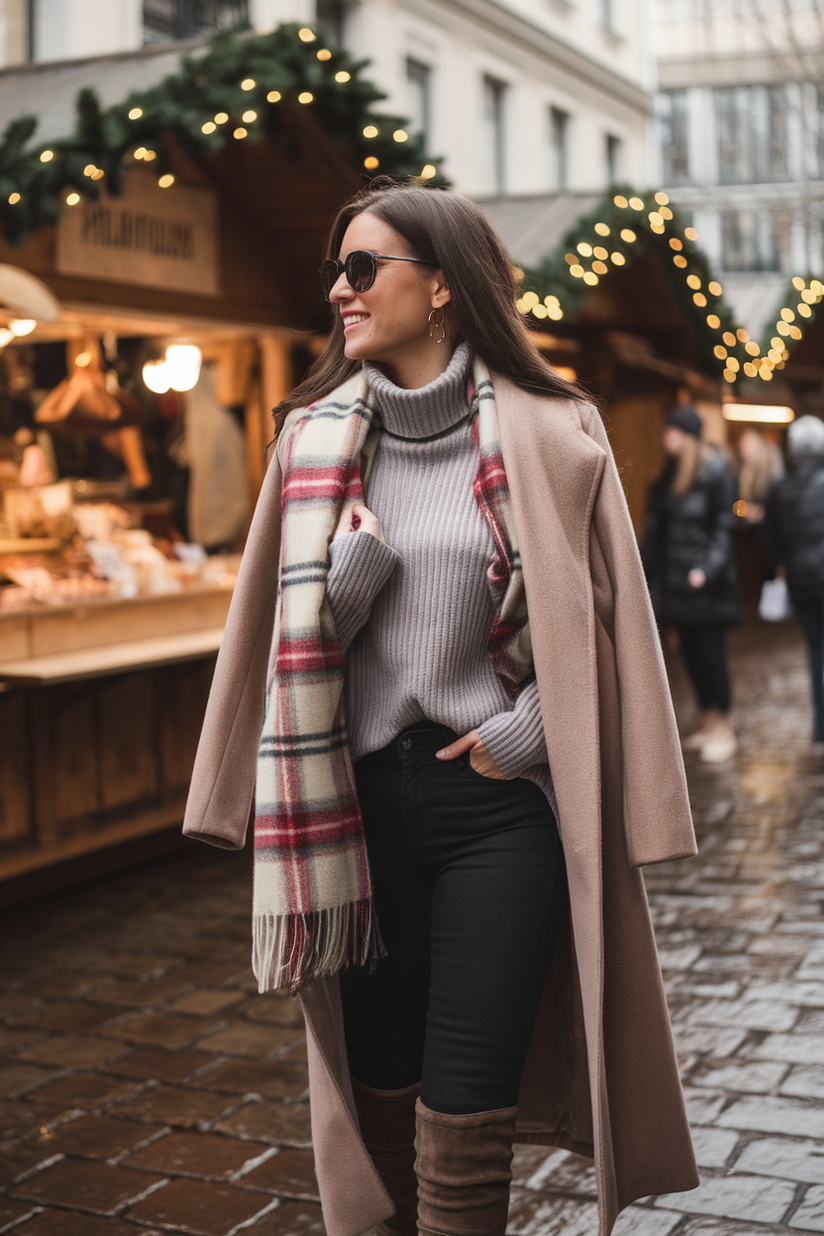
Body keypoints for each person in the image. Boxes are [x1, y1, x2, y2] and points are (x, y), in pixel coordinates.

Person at [182, 180, 698, 1236]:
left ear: (444, 287)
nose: (339, 289)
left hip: (493, 813)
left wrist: (527, 736)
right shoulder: (309, 443)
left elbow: (607, 637)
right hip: (355, 813)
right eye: (338, 269)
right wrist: (356, 577)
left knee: (465, 1118)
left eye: (363, 267)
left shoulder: (555, 436)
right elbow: (285, 655)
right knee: (379, 1108)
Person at [642, 406, 740, 763]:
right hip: (676, 584)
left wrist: (706, 569)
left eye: (675, 433)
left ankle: (723, 725)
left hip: (705, 586)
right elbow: (658, 532)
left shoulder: (714, 474)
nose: (668, 438)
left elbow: (723, 530)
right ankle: (707, 720)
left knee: (711, 656)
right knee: (691, 658)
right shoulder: (668, 476)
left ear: (690, 438)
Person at [764, 414, 824, 746]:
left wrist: (779, 567)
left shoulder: (779, 489)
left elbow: (769, 540)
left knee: (816, 650)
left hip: (801, 582)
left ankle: (821, 729)